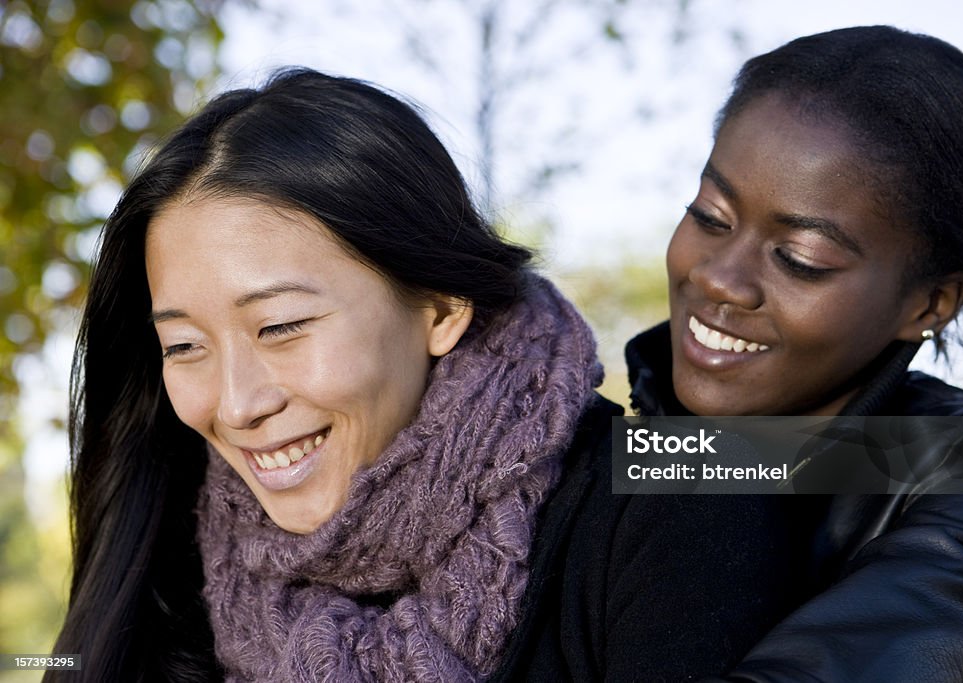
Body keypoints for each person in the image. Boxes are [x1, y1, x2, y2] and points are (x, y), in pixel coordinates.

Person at [50, 69, 801, 682]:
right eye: (184, 346)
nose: (239, 402)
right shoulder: (164, 563)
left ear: (440, 308)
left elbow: (901, 467)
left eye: (280, 327)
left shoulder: (670, 509)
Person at [626, 26, 963, 681]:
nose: (719, 279)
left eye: (799, 259)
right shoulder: (640, 457)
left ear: (930, 304)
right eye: (709, 216)